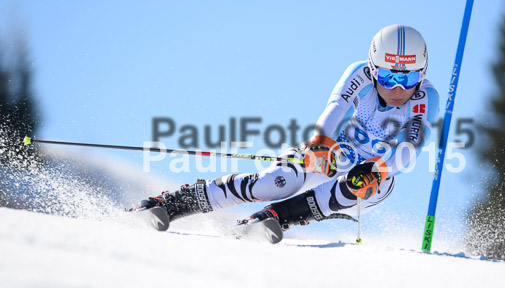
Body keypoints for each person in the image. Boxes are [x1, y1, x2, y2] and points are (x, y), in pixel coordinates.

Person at [137, 25, 440, 231]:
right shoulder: (359, 74)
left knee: (355, 184)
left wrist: (380, 170)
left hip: (381, 173)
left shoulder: (426, 98)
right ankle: (172, 203)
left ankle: (277, 217)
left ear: (422, 73)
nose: (398, 88)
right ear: (374, 68)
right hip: (342, 151)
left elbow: (410, 147)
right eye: (388, 77)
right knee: (273, 182)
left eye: (409, 78)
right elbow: (335, 108)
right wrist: (321, 142)